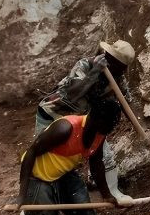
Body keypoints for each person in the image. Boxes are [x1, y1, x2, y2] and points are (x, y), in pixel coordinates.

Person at [36, 40, 136, 202]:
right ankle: (34, 200)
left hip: (86, 119)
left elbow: (126, 105)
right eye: (110, 60)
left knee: (103, 155)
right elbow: (72, 93)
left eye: (119, 67)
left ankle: (110, 192)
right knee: (46, 156)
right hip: (54, 113)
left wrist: (141, 129)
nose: (114, 68)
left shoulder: (118, 78)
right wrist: (94, 73)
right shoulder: (86, 65)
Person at [17, 94, 124, 215]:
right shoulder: (65, 128)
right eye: (110, 124)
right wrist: (23, 194)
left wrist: (107, 195)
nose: (112, 128)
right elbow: (31, 152)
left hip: (64, 174)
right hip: (38, 177)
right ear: (97, 120)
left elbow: (96, 163)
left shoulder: (99, 133)